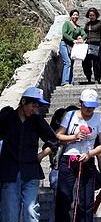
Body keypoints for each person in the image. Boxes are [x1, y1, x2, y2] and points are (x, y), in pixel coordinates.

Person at [0, 87, 58, 222]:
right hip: (10, 172)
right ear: (23, 101)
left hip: (31, 172)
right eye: (33, 105)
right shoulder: (7, 118)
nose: (35, 110)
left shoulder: (37, 121)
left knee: (31, 210)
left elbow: (54, 141)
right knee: (10, 213)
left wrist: (41, 155)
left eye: (37, 106)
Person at [55, 89, 101, 222]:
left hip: (87, 160)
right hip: (68, 159)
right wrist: (74, 137)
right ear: (80, 103)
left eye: (92, 106)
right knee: (64, 199)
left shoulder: (99, 118)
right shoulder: (70, 115)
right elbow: (58, 136)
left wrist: (90, 154)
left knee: (86, 202)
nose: (89, 109)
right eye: (86, 105)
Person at [59, 9, 87, 86]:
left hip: (72, 47)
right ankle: (65, 82)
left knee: (71, 63)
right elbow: (64, 34)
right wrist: (73, 40)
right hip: (64, 44)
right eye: (74, 15)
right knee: (67, 62)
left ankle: (70, 82)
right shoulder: (67, 24)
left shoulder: (78, 27)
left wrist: (81, 38)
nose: (75, 16)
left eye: (77, 15)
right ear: (71, 16)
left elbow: (84, 34)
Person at [82, 8, 101, 84]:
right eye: (90, 15)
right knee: (86, 63)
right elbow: (84, 34)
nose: (91, 17)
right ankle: (88, 77)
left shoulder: (100, 23)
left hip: (97, 44)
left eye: (93, 15)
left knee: (97, 63)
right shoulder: (87, 24)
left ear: (96, 15)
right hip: (88, 44)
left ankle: (97, 78)